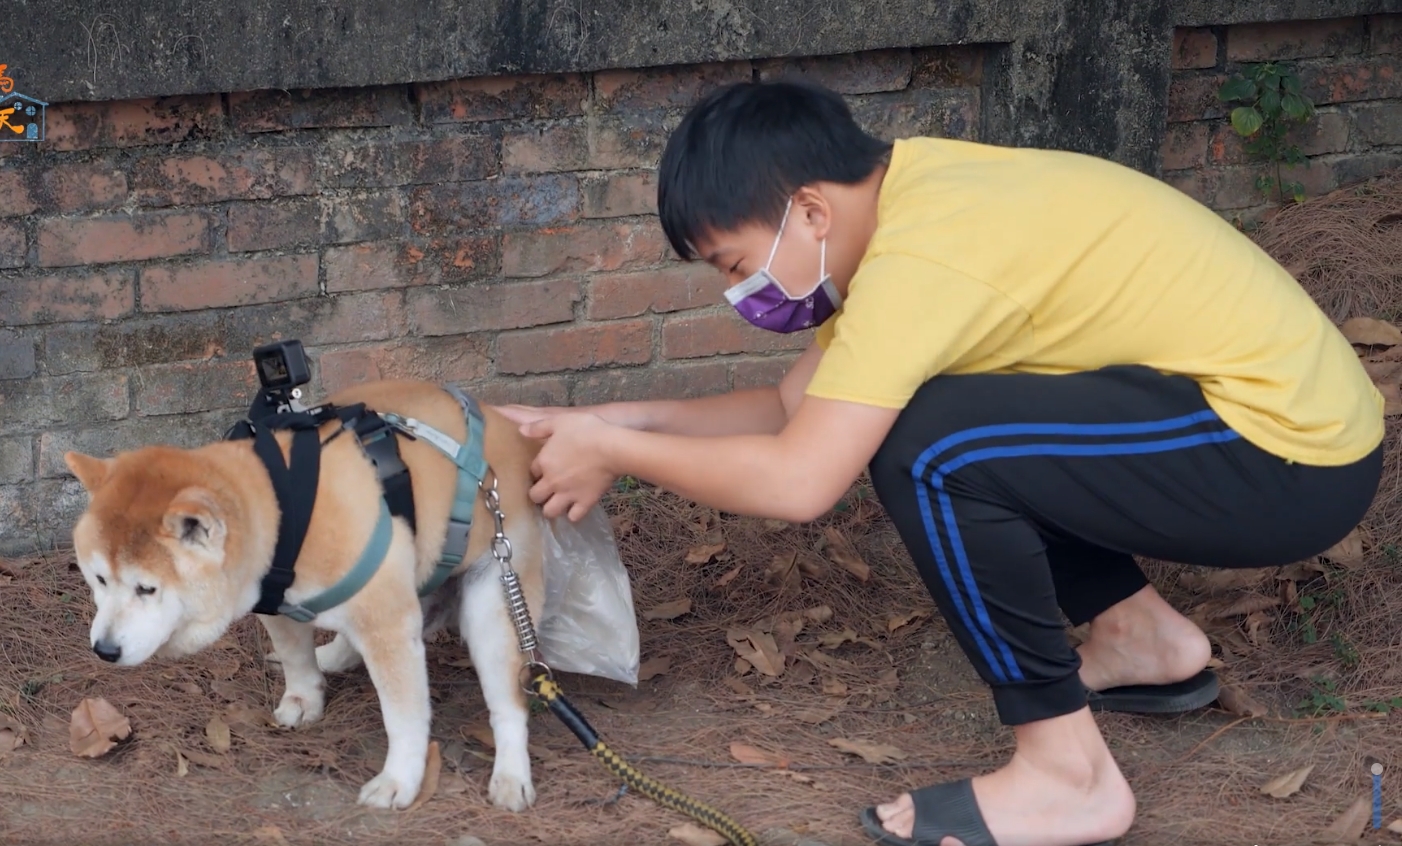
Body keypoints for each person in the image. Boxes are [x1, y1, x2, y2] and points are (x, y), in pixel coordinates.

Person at [493, 79, 1384, 846]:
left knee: (932, 445)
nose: (739, 294)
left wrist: (616, 452)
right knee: (941, 424)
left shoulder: (920, 259)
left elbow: (803, 480)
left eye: (735, 264)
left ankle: (1066, 773)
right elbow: (791, 407)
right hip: (1249, 425)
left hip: (1286, 453)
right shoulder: (908, 201)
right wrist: (606, 417)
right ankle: (1143, 639)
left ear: (809, 211)